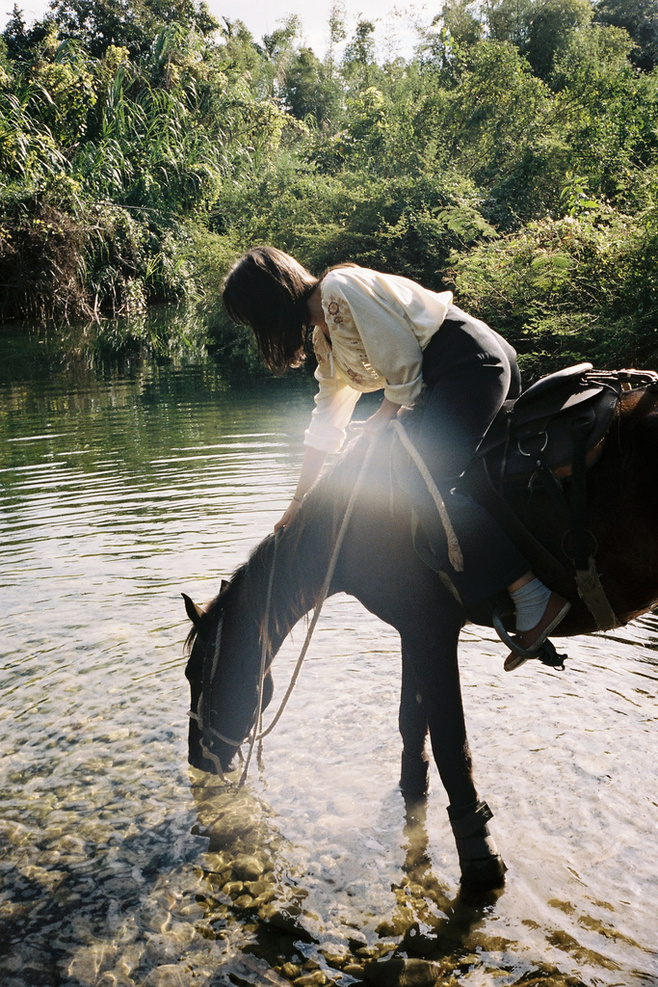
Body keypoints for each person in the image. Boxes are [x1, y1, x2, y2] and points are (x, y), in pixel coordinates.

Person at [222, 245, 570, 670]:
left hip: (469, 364)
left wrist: (383, 419)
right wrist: (298, 502)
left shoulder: (339, 289)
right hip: (449, 376)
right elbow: (327, 420)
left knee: (423, 482)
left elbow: (404, 367)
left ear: (268, 304)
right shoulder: (324, 334)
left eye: (253, 318)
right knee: (429, 475)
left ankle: (533, 596)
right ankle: (491, 592)